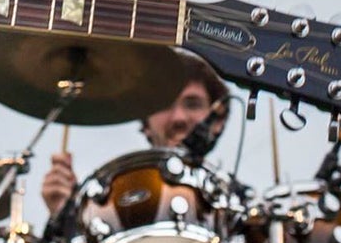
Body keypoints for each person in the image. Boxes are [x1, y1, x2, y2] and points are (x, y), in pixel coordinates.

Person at [38, 53, 231, 220]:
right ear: (146, 122)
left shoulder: (237, 203)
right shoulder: (109, 205)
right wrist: (67, 214)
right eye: (164, 104)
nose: (178, 117)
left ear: (218, 120)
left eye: (193, 104)